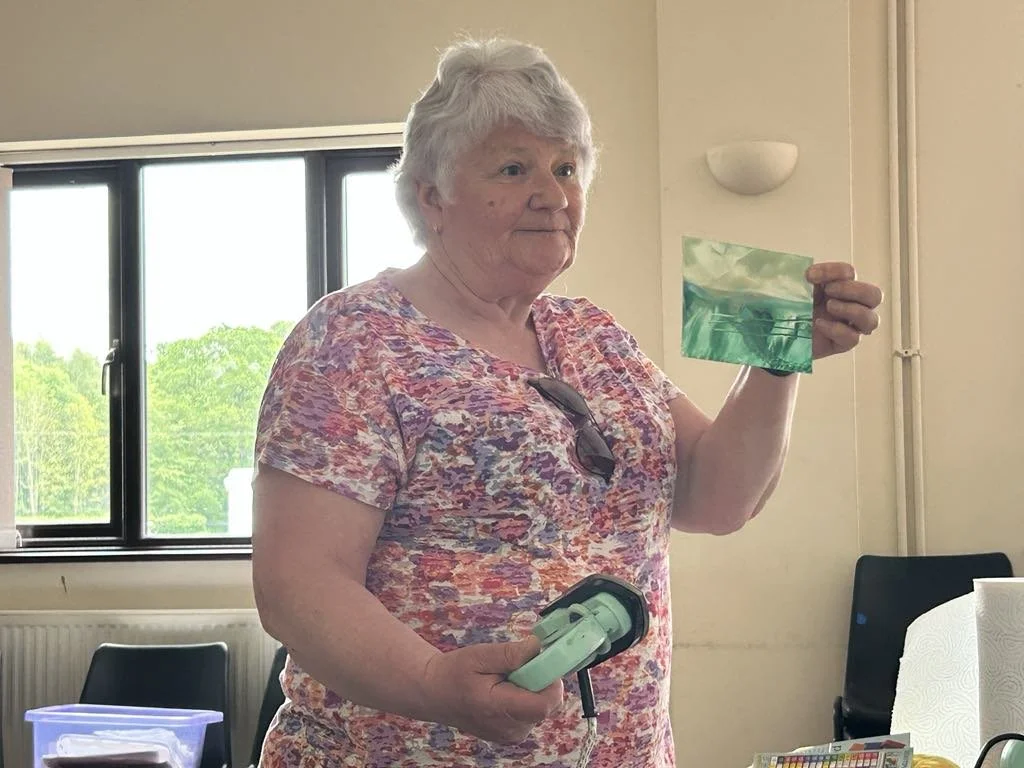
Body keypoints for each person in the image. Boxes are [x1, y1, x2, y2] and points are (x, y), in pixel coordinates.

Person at [250, 37, 883, 768]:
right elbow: (299, 585)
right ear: (431, 196)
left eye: (566, 168)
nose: (553, 195)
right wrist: (432, 682)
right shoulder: (353, 339)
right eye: (513, 168)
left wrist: (776, 357)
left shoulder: (593, 334)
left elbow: (718, 501)